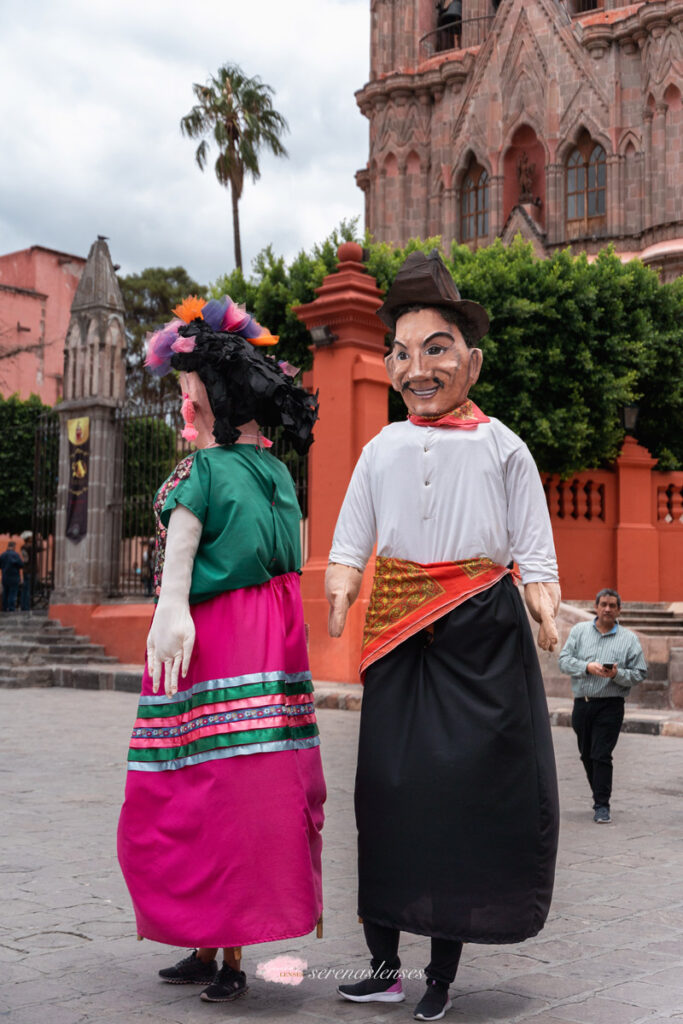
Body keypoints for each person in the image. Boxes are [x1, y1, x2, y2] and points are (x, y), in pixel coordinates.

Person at [326, 251, 561, 1022]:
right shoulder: (380, 448)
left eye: (436, 349)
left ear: (472, 362)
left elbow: (533, 548)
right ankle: (385, 963)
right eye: (402, 352)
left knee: (464, 800)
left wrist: (544, 602)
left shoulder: (503, 447)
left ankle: (441, 974)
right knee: (388, 797)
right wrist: (340, 582)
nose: (417, 367)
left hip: (482, 636)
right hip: (397, 635)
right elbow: (351, 537)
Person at [117, 295, 325, 1004]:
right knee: (245, 787)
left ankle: (224, 950)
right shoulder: (275, 475)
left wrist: (172, 608)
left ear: (211, 400)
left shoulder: (204, 475)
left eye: (186, 394)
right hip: (268, 634)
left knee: (207, 785)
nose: (183, 407)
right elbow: (290, 559)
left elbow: (179, 564)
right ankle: (211, 945)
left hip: (215, 639)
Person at [558, 587, 647, 823]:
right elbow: (564, 661)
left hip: (611, 705)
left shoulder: (629, 639)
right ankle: (598, 793)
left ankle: (602, 804)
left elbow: (639, 673)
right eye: (603, 604)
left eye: (612, 605)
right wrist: (587, 667)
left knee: (601, 754)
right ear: (596, 607)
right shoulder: (579, 632)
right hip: (583, 704)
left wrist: (617, 675)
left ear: (619, 610)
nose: (607, 609)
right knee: (586, 754)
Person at [0, 541, 24, 612]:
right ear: (13, 546)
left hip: (5, 577)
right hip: (14, 577)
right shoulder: (15, 555)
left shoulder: (2, 555)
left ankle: (4, 608)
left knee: (5, 593)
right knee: (12, 594)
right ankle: (11, 608)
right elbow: (21, 565)